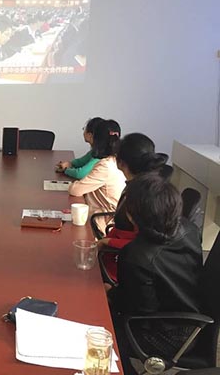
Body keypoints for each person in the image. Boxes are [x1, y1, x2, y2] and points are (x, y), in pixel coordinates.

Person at [109, 173, 202, 373]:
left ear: (132, 215)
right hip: (193, 323)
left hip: (168, 336)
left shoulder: (136, 255)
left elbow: (139, 311)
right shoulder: (189, 228)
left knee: (103, 328)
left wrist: (110, 293)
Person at [98, 133, 171, 283]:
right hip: (124, 256)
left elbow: (147, 245)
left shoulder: (144, 197)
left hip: (128, 270)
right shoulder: (145, 186)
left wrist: (107, 242)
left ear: (120, 162)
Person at [68, 119, 126, 233]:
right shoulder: (116, 161)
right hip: (109, 216)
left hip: (103, 222)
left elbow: (75, 190)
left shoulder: (105, 166)